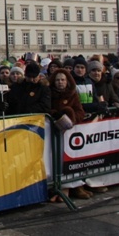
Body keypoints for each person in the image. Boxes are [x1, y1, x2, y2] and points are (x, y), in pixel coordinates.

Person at [47, 69, 89, 201]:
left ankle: (73, 187)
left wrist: (70, 116)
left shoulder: (72, 94)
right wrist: (55, 116)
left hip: (70, 132)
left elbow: (80, 112)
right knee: (53, 162)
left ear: (67, 81)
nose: (60, 82)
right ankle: (56, 189)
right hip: (53, 132)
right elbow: (46, 109)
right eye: (58, 80)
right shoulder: (49, 93)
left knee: (70, 162)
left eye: (63, 80)